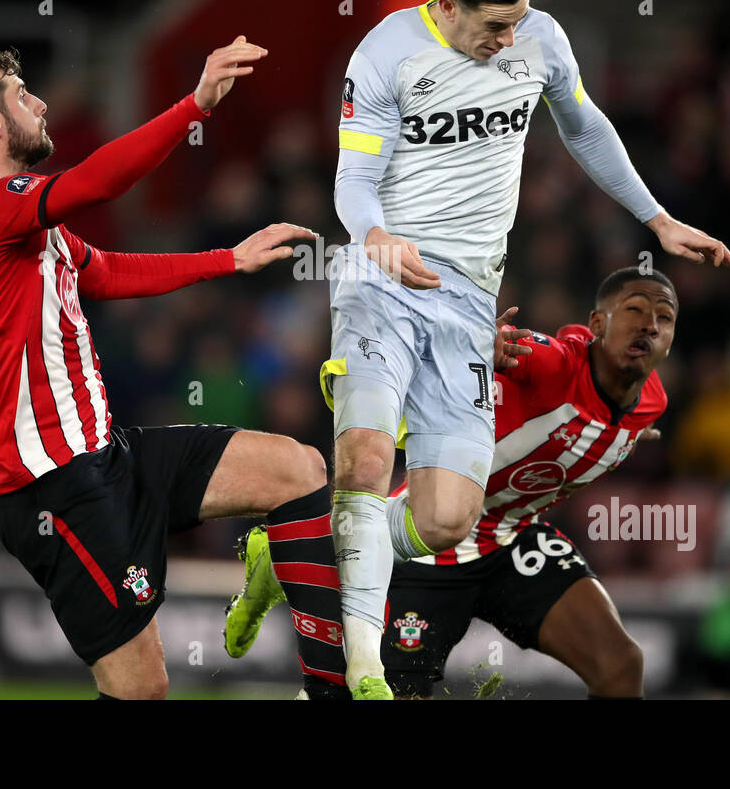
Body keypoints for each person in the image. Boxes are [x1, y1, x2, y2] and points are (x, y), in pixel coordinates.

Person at [326, 0, 730, 697]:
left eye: (517, 20)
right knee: (371, 464)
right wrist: (376, 237)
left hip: (468, 301)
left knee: (447, 516)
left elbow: (585, 127)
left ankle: (305, 551)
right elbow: (352, 178)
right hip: (385, 277)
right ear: (449, 6)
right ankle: (358, 646)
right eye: (493, 26)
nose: (508, 40)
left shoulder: (540, 39)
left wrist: (657, 218)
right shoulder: (387, 52)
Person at [0, 38, 346, 699]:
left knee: (299, 471)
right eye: (21, 95)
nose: (40, 104)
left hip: (106, 458)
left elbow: (108, 270)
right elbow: (99, 182)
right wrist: (196, 104)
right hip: (51, 489)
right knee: (142, 690)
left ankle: (330, 691)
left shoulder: (28, 227)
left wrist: (226, 260)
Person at [225, 267, 675, 699]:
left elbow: (610, 422)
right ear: (598, 322)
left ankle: (296, 549)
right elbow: (498, 346)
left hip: (509, 539)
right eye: (635, 310)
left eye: (664, 318)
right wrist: (480, 343)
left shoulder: (649, 404)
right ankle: (286, 552)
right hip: (430, 538)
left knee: (621, 666)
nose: (650, 326)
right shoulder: (552, 363)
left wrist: (630, 435)